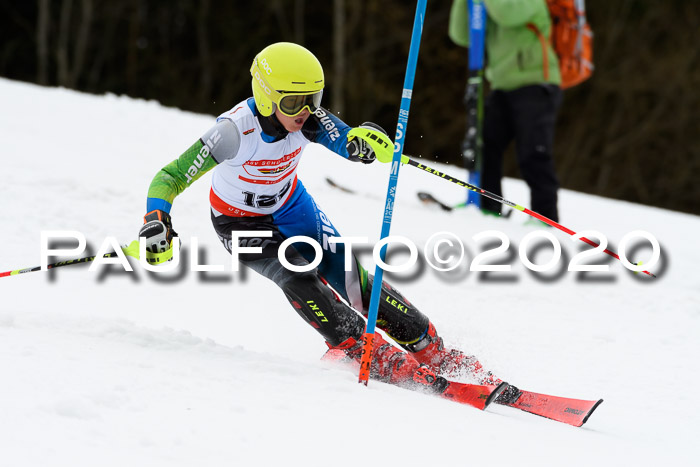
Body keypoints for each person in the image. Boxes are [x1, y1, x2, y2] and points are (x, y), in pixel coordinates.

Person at [138, 42, 518, 402]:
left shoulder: (306, 119)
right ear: (268, 97)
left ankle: (429, 346)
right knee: (297, 274)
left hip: (291, 206)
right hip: (239, 223)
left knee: (351, 276)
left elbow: (347, 141)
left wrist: (365, 144)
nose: (305, 110)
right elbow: (170, 176)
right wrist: (156, 218)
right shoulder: (233, 132)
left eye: (313, 99)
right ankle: (355, 346)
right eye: (293, 101)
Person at [449, 0, 563, 222]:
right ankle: (488, 205)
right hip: (502, 87)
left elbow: (507, 14)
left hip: (537, 84)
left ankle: (545, 216)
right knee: (483, 144)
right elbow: (462, 35)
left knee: (533, 151)